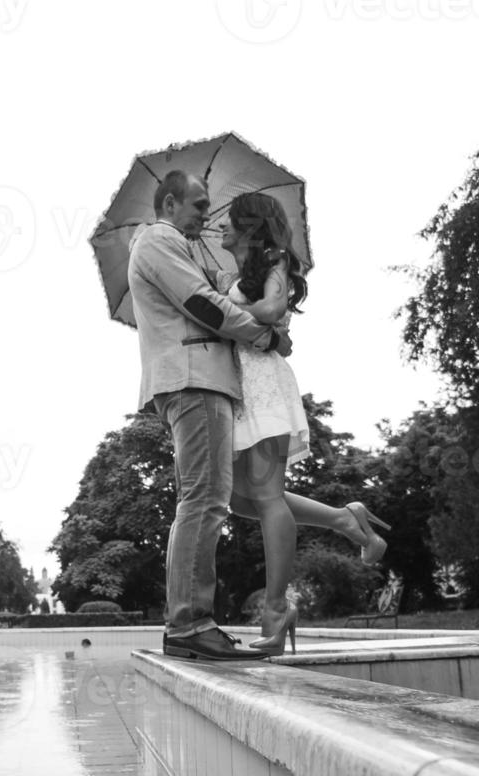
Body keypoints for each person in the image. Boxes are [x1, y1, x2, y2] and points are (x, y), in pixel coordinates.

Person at [218, 192, 391, 653]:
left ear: (250, 229)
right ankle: (342, 518)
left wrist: (226, 317)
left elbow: (273, 312)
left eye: (229, 222)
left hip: (266, 389)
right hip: (241, 394)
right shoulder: (237, 277)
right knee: (241, 500)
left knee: (268, 498)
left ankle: (275, 610)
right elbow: (263, 326)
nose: (220, 228)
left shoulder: (274, 265)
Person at [128, 171, 290, 661]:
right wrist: (262, 337)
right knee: (204, 499)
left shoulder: (184, 249)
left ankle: (189, 622)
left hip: (200, 381)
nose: (206, 215)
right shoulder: (158, 239)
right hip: (194, 379)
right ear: (171, 203)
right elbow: (204, 305)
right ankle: (190, 622)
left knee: (206, 497)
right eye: (199, 206)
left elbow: (224, 292)